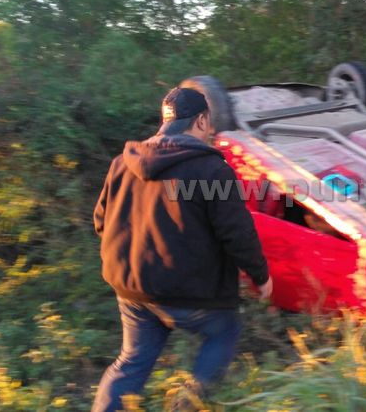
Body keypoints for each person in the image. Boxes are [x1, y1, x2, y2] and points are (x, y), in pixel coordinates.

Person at [92, 87, 272, 412]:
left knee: (131, 361)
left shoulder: (122, 163)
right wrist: (262, 276)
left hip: (131, 289)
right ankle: (186, 407)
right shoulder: (211, 171)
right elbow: (237, 233)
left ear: (165, 121)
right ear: (202, 120)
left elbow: (101, 221)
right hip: (187, 293)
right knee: (224, 330)